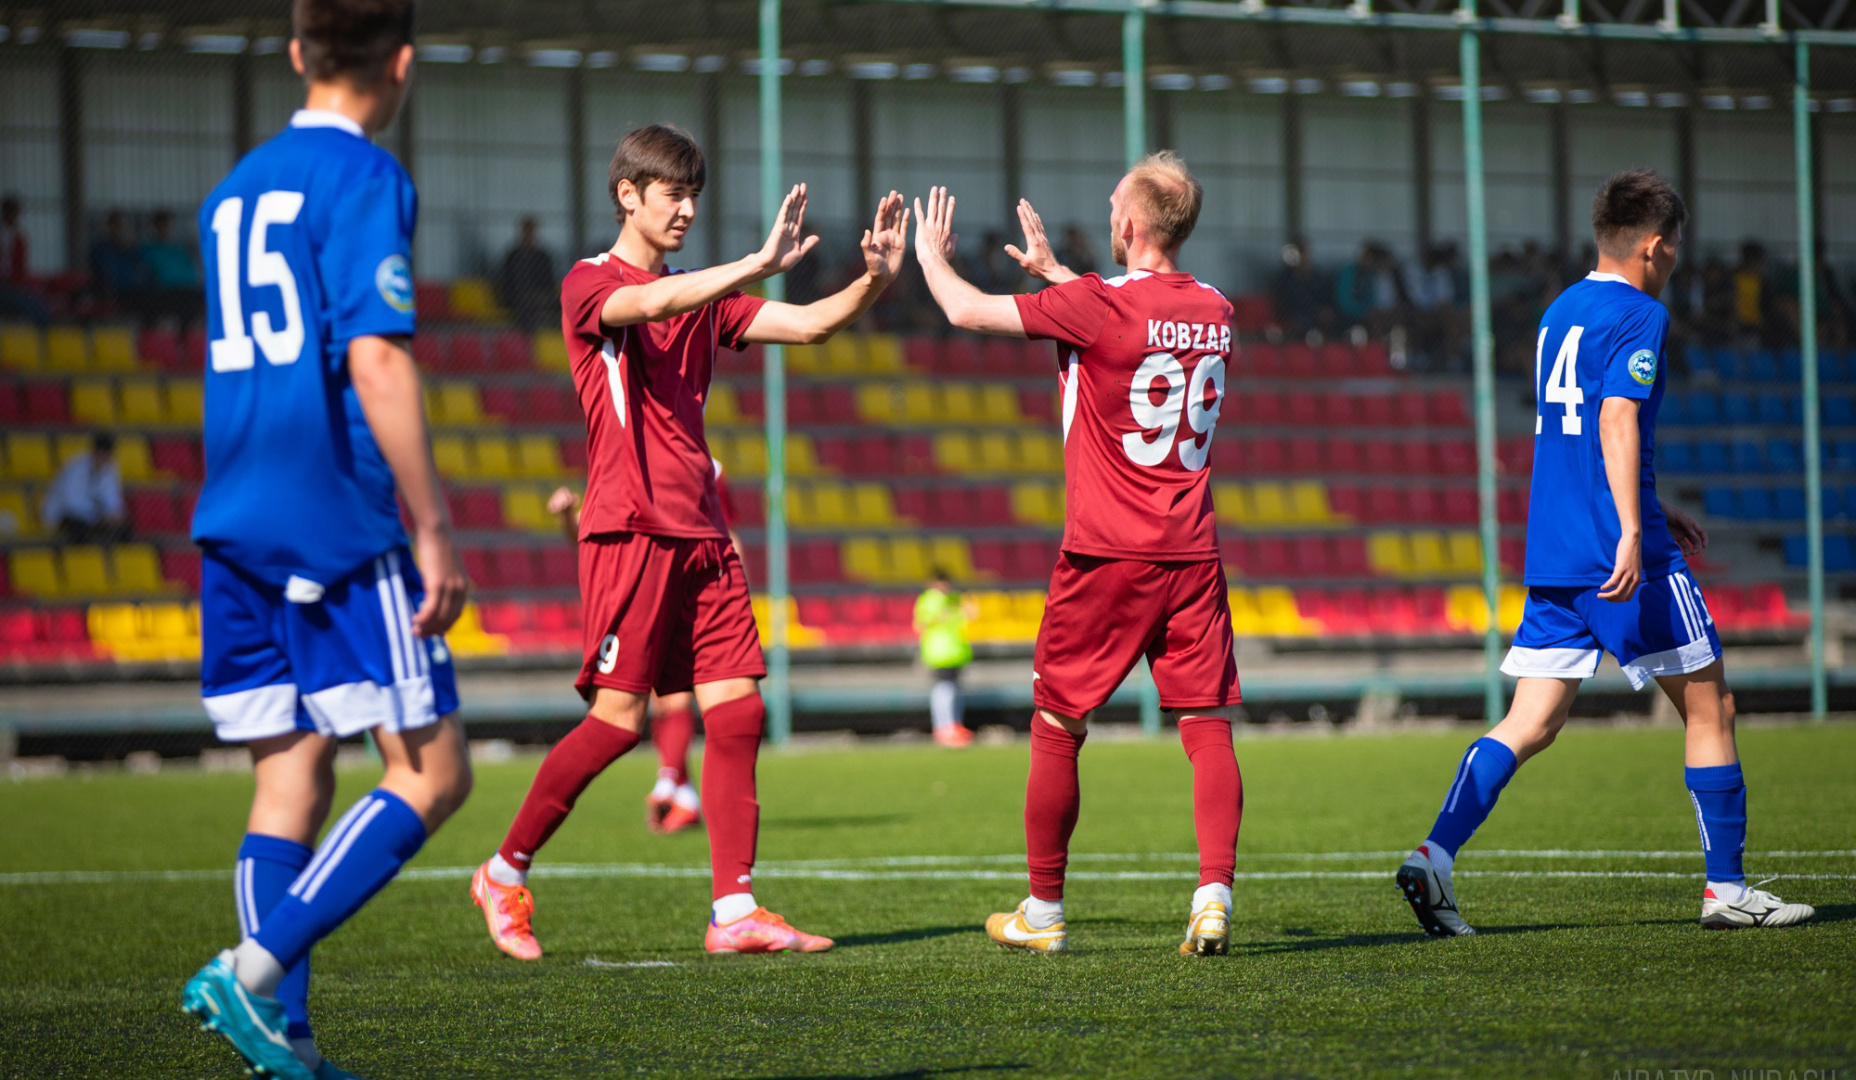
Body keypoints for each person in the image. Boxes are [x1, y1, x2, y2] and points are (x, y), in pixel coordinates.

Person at [468, 123, 909, 959]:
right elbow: (649, 304)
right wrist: (752, 263)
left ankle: (734, 910)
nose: (687, 210)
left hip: (704, 533)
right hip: (630, 528)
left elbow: (810, 325)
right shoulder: (588, 283)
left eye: (694, 195)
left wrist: (874, 281)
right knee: (616, 723)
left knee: (738, 707)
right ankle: (503, 870)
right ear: (628, 194)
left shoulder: (704, 296)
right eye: (673, 194)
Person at [1395, 169, 1815, 938]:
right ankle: (1726, 889)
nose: (1677, 260)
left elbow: (1579, 432)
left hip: (1555, 551)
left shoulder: (1560, 310)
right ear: (1654, 247)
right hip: (1624, 556)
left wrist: (1652, 503)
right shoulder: (1640, 313)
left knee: (1530, 721)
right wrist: (1631, 526)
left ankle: (1435, 854)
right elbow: (1616, 417)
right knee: (1711, 707)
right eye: (1676, 247)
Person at [179, 4, 474, 1079]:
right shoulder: (364, 177)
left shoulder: (231, 190)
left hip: (231, 515)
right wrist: (431, 527)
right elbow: (376, 359)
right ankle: (251, 974)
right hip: (332, 521)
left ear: (300, 51)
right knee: (433, 772)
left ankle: (285, 1047)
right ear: (401, 63)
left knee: (291, 782)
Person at [912, 156, 1245, 957]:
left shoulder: (1095, 304)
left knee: (1059, 725)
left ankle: (1044, 912)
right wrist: (1060, 277)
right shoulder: (1218, 308)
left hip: (1105, 553)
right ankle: (1213, 896)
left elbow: (964, 310)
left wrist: (928, 256)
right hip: (1191, 552)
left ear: (1128, 224)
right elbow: (1141, 321)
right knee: (1207, 725)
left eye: (1112, 205)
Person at [543, 457, 746, 833]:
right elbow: (587, 539)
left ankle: (669, 782)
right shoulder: (623, 464)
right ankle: (683, 795)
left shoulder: (709, 469)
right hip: (639, 593)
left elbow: (728, 535)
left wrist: (733, 595)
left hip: (689, 591)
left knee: (675, 695)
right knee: (655, 700)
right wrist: (567, 516)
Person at [914, 567, 976, 747]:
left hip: (955, 651)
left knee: (954, 689)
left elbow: (968, 617)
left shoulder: (954, 599)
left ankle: (954, 725)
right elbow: (924, 622)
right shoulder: (930, 600)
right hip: (940, 651)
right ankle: (944, 728)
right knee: (944, 688)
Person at [41, 432, 129, 543]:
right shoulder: (76, 467)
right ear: (94, 452)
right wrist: (98, 516)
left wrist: (114, 516)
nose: (103, 460)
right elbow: (70, 502)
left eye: (106, 457)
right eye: (101, 455)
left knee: (125, 529)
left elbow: (112, 498)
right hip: (64, 514)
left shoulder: (111, 468)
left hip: (95, 517)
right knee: (80, 530)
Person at [140, 208, 204, 332]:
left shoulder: (178, 249)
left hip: (186, 290)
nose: (165, 228)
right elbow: (160, 275)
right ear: (154, 227)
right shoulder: (148, 249)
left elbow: (192, 272)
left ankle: (187, 336)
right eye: (162, 225)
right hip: (164, 292)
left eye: (167, 225)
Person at [497, 216, 557, 331]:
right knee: (525, 304)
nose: (529, 234)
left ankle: (553, 334)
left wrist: (545, 293)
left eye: (531, 231)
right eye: (527, 231)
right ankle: (529, 335)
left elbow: (549, 280)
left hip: (540, 294)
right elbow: (507, 280)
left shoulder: (542, 256)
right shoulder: (513, 255)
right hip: (518, 295)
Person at [0, 194, 50, 326]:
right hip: (6, 285)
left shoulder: (18, 234)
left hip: (15, 282)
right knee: (32, 305)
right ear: (5, 213)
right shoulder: (5, 234)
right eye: (12, 212)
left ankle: (46, 330)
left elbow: (20, 263)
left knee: (40, 300)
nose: (15, 216)